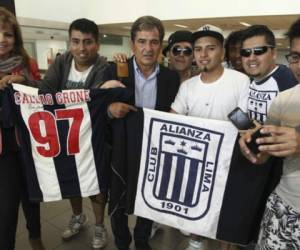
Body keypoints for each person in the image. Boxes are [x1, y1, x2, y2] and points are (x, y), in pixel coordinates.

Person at [29, 18, 115, 249]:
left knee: (96, 186)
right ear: (69, 42)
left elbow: (94, 101)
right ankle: (78, 216)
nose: (81, 48)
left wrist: (63, 99)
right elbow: (45, 90)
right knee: (71, 181)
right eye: (76, 42)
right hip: (65, 136)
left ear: (96, 44)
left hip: (92, 138)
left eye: (87, 42)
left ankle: (99, 226)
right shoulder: (62, 62)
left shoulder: (104, 68)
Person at [171, 24, 250, 250]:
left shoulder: (239, 81)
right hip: (196, 162)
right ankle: (196, 241)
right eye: (198, 49)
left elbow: (242, 121)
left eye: (210, 48)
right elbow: (173, 118)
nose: (203, 55)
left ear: (222, 52)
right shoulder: (188, 86)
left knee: (226, 213)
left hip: (228, 161)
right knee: (197, 206)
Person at [105, 15, 180, 250]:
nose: (148, 48)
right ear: (132, 44)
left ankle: (141, 239)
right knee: (117, 196)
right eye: (142, 41)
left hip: (154, 148)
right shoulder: (114, 70)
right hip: (120, 147)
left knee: (149, 196)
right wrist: (109, 109)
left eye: (154, 42)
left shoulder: (170, 78)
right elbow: (95, 109)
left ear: (161, 45)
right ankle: (121, 241)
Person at [239, 18, 300, 250]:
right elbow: (265, 149)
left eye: (259, 51)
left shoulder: (281, 80)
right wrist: (254, 147)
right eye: (296, 57)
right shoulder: (283, 101)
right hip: (284, 206)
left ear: (272, 53)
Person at [0, 7, 44, 250]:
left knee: (32, 195)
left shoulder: (28, 63)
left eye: (7, 34)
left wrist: (25, 82)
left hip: (28, 141)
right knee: (6, 205)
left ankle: (35, 238)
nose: (1, 40)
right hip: (2, 148)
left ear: (15, 37)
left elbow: (43, 94)